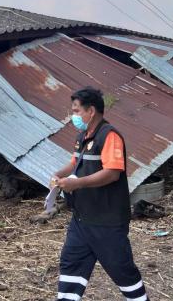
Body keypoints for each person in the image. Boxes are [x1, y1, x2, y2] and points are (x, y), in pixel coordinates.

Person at [51, 87, 149, 301]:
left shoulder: (110, 136)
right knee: (71, 265)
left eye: (76, 111)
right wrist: (58, 175)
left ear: (91, 111)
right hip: (81, 219)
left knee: (122, 271)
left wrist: (77, 184)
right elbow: (74, 163)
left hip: (106, 221)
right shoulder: (82, 136)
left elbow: (112, 173)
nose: (73, 116)